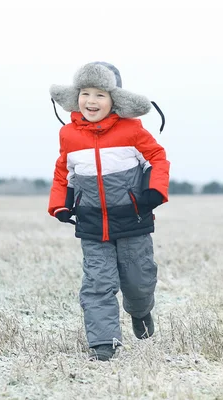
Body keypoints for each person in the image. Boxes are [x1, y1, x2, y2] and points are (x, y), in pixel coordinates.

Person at [47, 62, 170, 361]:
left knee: (138, 281)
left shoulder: (132, 131)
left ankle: (141, 312)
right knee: (97, 283)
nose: (91, 101)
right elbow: (64, 172)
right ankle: (104, 343)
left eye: (100, 94)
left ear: (115, 99)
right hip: (92, 224)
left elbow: (157, 157)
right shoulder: (69, 135)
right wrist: (60, 204)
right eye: (85, 93)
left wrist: (154, 192)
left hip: (132, 220)